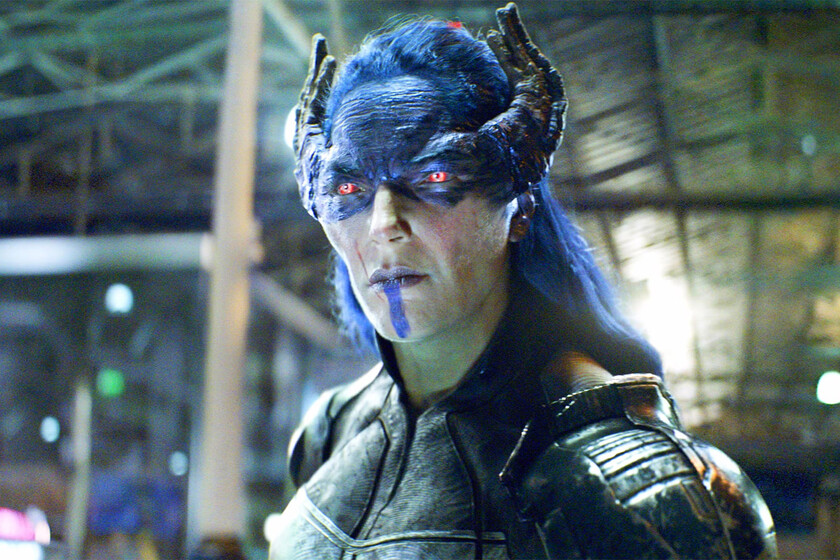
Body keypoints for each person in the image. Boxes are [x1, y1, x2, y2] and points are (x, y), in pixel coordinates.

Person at [270, 3, 778, 558]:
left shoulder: (636, 485)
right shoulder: (329, 432)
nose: (384, 224)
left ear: (520, 211)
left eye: (435, 175)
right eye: (348, 190)